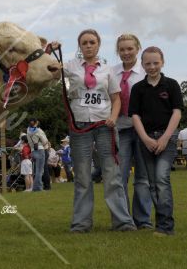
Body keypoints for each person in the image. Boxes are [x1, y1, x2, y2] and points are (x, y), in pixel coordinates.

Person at [51, 29, 136, 232]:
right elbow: (52, 70)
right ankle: (81, 223)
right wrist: (50, 50)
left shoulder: (107, 71)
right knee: (82, 174)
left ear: (98, 44)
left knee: (111, 174)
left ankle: (122, 222)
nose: (88, 46)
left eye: (92, 42)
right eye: (84, 43)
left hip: (104, 125)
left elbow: (116, 99)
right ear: (80, 46)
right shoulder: (70, 66)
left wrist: (113, 119)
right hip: (80, 126)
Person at [129, 46, 183, 236]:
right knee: (152, 183)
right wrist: (145, 138)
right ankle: (161, 225)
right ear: (142, 64)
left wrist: (166, 137)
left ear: (162, 62)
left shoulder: (172, 85)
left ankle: (167, 227)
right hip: (145, 139)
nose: (152, 67)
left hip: (167, 138)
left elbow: (177, 112)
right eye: (147, 63)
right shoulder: (138, 89)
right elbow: (134, 115)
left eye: (155, 63)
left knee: (162, 179)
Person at [112, 34, 152, 229]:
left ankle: (143, 220)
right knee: (119, 176)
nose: (126, 53)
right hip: (120, 129)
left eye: (130, 48)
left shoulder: (147, 72)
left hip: (142, 129)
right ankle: (123, 220)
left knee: (143, 178)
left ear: (138, 48)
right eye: (122, 49)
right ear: (117, 51)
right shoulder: (112, 72)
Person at [26, 118, 49, 192]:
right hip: (40, 149)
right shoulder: (39, 130)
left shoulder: (28, 131)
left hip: (33, 150)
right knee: (40, 170)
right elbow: (45, 141)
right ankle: (38, 188)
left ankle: (36, 187)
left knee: (37, 170)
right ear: (36, 123)